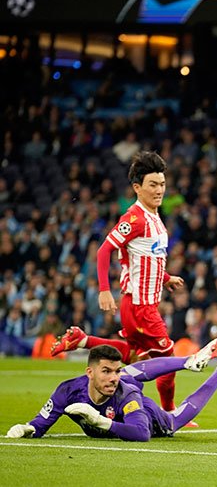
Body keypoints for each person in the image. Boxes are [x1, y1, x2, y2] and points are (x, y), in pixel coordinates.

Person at [51, 151, 186, 413]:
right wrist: (104, 290)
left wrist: (166, 278)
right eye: (153, 185)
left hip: (143, 304)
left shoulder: (154, 217)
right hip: (139, 306)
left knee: (134, 355)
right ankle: (170, 412)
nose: (159, 190)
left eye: (162, 184)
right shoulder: (135, 218)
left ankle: (83, 340)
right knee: (167, 360)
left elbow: (147, 259)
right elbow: (104, 250)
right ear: (137, 188)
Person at [6, 340, 217, 441]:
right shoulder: (68, 390)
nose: (112, 377)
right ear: (89, 372)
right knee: (126, 374)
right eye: (106, 371)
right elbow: (41, 424)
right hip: (117, 393)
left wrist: (101, 422)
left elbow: (142, 434)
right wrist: (28, 428)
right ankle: (188, 361)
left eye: (114, 371)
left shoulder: (127, 395)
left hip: (150, 418)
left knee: (174, 419)